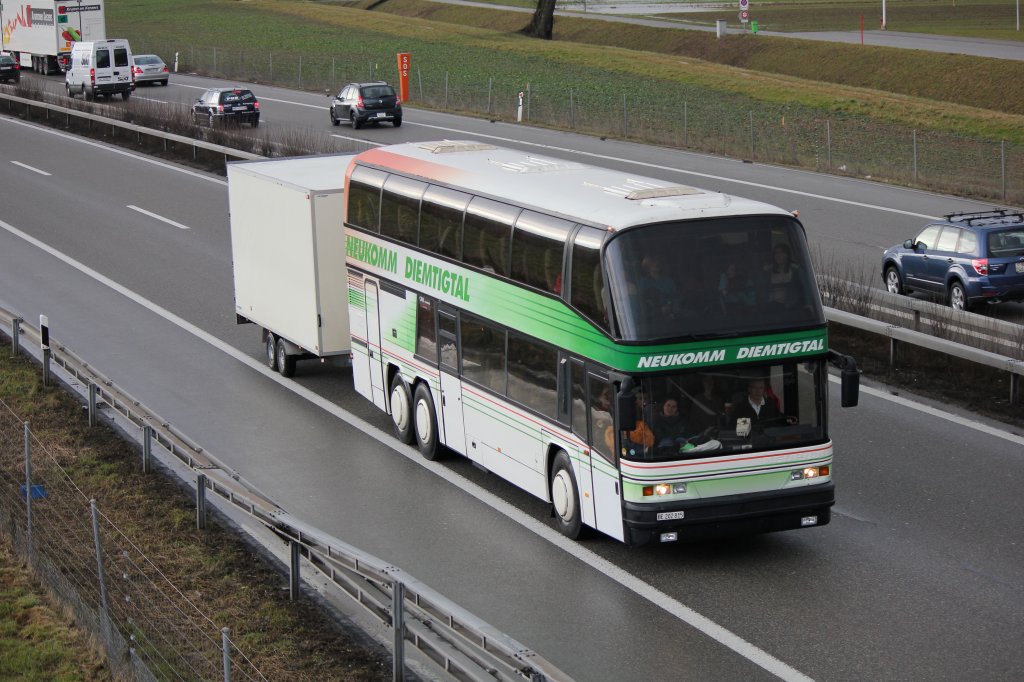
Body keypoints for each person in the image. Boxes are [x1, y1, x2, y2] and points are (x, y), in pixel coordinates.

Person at [728, 378, 795, 431]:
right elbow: (738, 431)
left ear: (764, 390)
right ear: (749, 389)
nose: (758, 391)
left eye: (761, 388)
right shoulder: (741, 408)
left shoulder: (770, 404)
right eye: (754, 387)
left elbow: (778, 422)